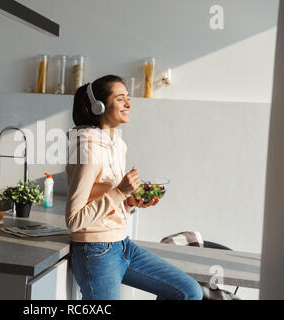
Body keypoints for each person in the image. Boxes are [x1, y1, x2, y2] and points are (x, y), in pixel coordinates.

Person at [65, 75, 203, 300]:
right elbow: (73, 220)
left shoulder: (117, 144)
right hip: (95, 251)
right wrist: (120, 191)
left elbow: (103, 197)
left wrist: (129, 200)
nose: (128, 104)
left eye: (128, 98)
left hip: (122, 245)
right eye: (120, 99)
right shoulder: (88, 148)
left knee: (189, 291)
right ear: (98, 106)